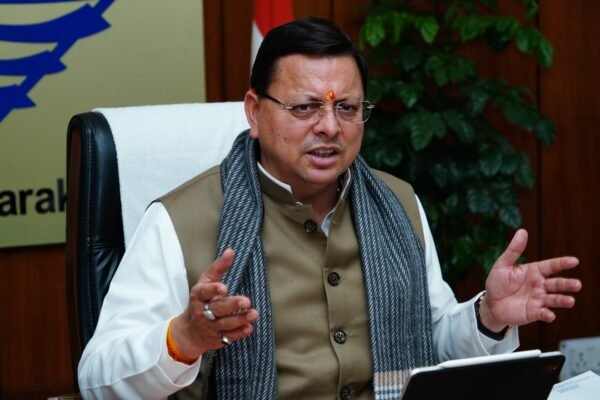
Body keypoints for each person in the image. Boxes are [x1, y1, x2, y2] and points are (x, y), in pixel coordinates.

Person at [77, 17, 582, 400]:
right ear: (254, 111)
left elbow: (431, 345)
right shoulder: (180, 221)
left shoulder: (398, 203)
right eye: (305, 107)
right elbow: (96, 377)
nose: (329, 126)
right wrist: (182, 339)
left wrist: (487, 317)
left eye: (346, 108)